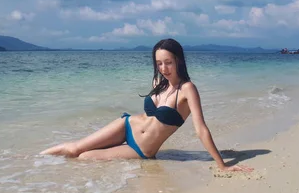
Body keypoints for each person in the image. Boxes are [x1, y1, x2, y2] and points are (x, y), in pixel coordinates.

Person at [41, 38, 253, 172]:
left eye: (168, 62)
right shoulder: (157, 83)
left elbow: (200, 129)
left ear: (179, 60)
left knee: (84, 157)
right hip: (126, 125)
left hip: (142, 148)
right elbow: (148, 118)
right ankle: (33, 160)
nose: (163, 68)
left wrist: (222, 165)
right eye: (159, 63)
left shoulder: (188, 89)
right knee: (75, 148)